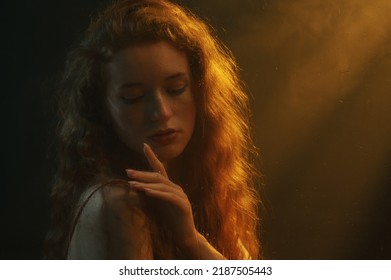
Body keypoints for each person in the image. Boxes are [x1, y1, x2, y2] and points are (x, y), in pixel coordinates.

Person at [45, 0, 262, 259]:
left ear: (201, 92)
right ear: (103, 109)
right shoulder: (120, 201)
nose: (160, 112)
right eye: (134, 97)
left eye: (176, 89)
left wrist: (192, 239)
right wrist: (191, 242)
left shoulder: (202, 189)